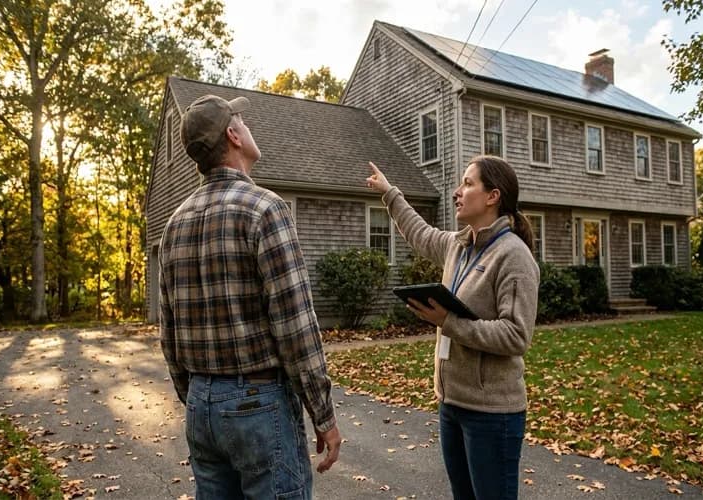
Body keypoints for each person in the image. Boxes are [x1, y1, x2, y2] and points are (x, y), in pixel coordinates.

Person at [159, 94, 341, 500]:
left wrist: (195, 397)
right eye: (244, 121)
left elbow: (168, 331)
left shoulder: (174, 224)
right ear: (233, 134)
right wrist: (323, 414)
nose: (249, 128)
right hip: (257, 404)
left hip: (201, 406)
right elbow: (296, 326)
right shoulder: (265, 209)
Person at [366, 156, 539, 500]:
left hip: (491, 414)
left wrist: (448, 322)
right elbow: (420, 233)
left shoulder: (512, 256)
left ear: (493, 196)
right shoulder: (457, 247)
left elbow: (516, 335)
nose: (457, 192)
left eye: (468, 183)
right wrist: (389, 194)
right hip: (452, 405)